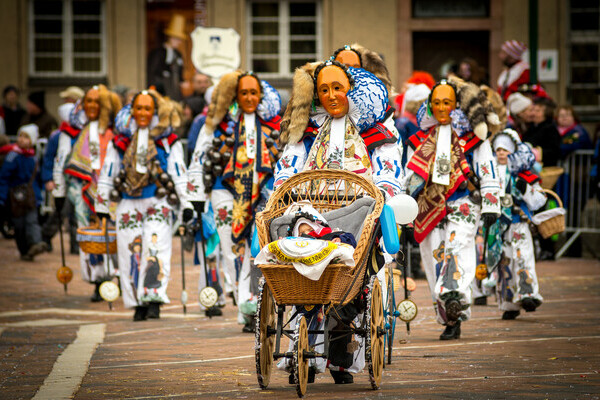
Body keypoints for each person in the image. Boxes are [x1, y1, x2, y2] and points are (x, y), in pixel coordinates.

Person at [275, 60, 403, 384]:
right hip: (312, 216)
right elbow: (286, 170)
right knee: (300, 266)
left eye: (338, 89)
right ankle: (305, 355)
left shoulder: (377, 134)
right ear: (316, 95)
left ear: (354, 92)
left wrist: (380, 197)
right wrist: (284, 194)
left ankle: (342, 357)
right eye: (324, 90)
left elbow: (388, 174)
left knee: (356, 276)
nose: (332, 96)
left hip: (359, 218)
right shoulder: (305, 133)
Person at [404, 79, 501, 340]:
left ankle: (455, 299)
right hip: (430, 207)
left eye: (447, 102)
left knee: (456, 250)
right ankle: (449, 317)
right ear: (430, 105)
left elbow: (487, 168)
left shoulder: (474, 140)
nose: (442, 108)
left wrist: (492, 204)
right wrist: (403, 213)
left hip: (464, 202)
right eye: (436, 103)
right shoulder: (419, 140)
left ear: (457, 105)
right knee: (436, 259)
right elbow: (409, 177)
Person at [187, 70, 281, 328]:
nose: (249, 97)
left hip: (262, 192)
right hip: (224, 190)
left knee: (257, 248)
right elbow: (199, 157)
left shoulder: (273, 124)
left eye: (254, 92)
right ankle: (245, 308)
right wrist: (194, 198)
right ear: (235, 96)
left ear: (260, 95)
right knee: (231, 250)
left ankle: (252, 306)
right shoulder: (219, 123)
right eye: (244, 93)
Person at [96, 89, 193, 321]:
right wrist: (101, 202)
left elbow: (179, 172)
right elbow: (109, 171)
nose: (142, 113)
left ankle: (153, 298)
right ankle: (136, 302)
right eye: (138, 108)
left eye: (147, 108)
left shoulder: (167, 141)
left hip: (157, 200)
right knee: (130, 249)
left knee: (155, 248)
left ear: (155, 112)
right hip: (127, 202)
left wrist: (187, 202)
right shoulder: (120, 141)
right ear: (131, 111)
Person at [54, 84, 122, 301]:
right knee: (88, 232)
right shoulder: (72, 129)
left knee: (112, 231)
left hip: (110, 189)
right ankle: (97, 279)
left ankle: (114, 275)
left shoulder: (116, 130)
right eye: (88, 101)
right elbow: (60, 159)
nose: (93, 105)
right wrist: (58, 191)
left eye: (97, 101)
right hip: (80, 187)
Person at [488, 129, 545, 319]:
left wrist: (526, 189)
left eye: (505, 149)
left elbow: (539, 200)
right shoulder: (489, 174)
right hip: (498, 226)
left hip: (519, 222)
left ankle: (529, 295)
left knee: (524, 257)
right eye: (498, 150)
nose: (501, 153)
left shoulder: (524, 175)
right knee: (504, 263)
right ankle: (509, 304)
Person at [0, 124, 48, 261]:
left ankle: (36, 243)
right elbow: (3, 178)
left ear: (32, 141)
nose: (21, 139)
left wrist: (40, 197)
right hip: (15, 197)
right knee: (19, 225)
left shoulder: (34, 158)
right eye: (20, 136)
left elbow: (37, 179)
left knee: (32, 221)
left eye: (26, 137)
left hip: (31, 197)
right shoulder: (13, 156)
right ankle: (24, 250)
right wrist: (2, 197)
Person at [40, 102, 81, 252]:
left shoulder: (81, 133)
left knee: (76, 212)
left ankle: (75, 244)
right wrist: (48, 178)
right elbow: (49, 158)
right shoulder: (57, 136)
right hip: (61, 178)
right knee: (60, 211)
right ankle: (46, 235)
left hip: (76, 178)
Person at [147, 14, 188, 101]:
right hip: (163, 90)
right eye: (177, 39)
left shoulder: (178, 54)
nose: (179, 42)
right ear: (171, 38)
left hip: (175, 91)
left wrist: (182, 81)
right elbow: (154, 72)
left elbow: (180, 72)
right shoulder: (158, 53)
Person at [523, 97, 561, 167]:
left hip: (546, 167)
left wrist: (537, 152)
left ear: (546, 113)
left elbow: (554, 151)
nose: (534, 113)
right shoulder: (532, 127)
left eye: (538, 111)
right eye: (533, 110)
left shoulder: (550, 129)